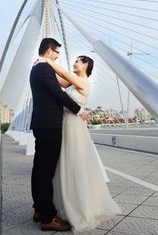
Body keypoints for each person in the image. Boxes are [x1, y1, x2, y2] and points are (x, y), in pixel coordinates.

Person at [38, 54, 121, 233]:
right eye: (74, 61)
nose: (74, 63)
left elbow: (63, 73)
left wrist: (46, 60)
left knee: (75, 164)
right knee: (63, 164)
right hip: (64, 124)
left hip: (74, 128)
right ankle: (64, 206)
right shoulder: (72, 83)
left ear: (86, 66)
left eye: (78, 61)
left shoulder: (83, 83)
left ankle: (79, 207)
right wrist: (42, 68)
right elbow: (56, 80)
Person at [30, 38, 88, 232]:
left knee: (39, 169)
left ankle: (38, 209)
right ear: (49, 49)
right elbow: (58, 93)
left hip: (41, 124)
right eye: (56, 53)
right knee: (46, 172)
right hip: (49, 125)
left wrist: (46, 62)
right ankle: (48, 217)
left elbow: (62, 82)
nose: (57, 56)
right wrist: (79, 110)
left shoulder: (37, 68)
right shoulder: (43, 68)